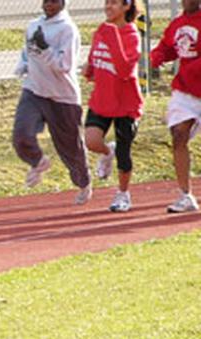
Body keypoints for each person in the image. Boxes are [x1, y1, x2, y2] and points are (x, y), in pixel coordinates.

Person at [12, 0, 93, 204]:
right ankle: (38, 162)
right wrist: (23, 65)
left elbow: (64, 65)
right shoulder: (33, 25)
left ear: (63, 3)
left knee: (70, 148)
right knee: (21, 134)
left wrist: (45, 48)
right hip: (34, 90)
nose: (49, 5)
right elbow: (27, 51)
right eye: (46, 1)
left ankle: (83, 182)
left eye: (54, 1)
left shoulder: (68, 30)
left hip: (62, 96)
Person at [83, 0, 144, 212]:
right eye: (107, 3)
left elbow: (125, 69)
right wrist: (90, 68)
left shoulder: (131, 34)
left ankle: (123, 194)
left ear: (127, 6)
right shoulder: (102, 30)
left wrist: (111, 36)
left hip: (126, 103)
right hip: (102, 98)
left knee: (124, 153)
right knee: (91, 141)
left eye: (114, 3)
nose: (108, 7)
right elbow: (95, 58)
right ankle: (107, 151)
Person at [150, 0, 201, 213]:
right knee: (179, 135)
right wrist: (157, 56)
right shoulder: (178, 23)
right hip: (185, 91)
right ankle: (186, 195)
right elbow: (167, 47)